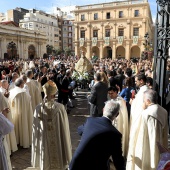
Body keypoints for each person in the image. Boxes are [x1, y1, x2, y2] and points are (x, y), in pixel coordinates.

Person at [69, 100, 125, 170]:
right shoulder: (115, 134)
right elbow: (118, 160)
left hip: (77, 165)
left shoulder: (90, 121)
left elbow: (79, 130)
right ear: (117, 115)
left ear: (103, 109)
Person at [31, 80, 72, 170]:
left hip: (44, 138)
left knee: (44, 147)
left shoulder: (38, 108)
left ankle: (44, 165)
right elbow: (64, 129)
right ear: (54, 94)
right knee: (58, 145)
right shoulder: (60, 107)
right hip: (57, 138)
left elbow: (36, 129)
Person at [126, 89, 168, 170]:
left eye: (144, 100)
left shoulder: (146, 113)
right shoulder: (164, 111)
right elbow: (165, 131)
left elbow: (139, 134)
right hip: (160, 144)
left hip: (147, 145)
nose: (143, 102)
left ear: (148, 101)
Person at [8, 78, 33, 148]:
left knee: (16, 125)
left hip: (14, 113)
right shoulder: (23, 92)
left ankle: (17, 140)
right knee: (23, 125)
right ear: (21, 84)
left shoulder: (11, 91)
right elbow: (29, 101)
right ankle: (24, 141)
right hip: (23, 113)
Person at [108, 86, 129, 157]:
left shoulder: (120, 101)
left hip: (119, 124)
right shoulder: (112, 100)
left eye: (112, 93)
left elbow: (121, 115)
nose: (110, 95)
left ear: (116, 92)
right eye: (109, 94)